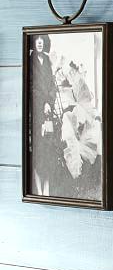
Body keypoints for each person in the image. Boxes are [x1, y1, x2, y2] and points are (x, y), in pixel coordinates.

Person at [30, 34, 58, 196]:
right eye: (37, 39)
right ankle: (38, 189)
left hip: (48, 111)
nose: (39, 42)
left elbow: (52, 85)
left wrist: (49, 102)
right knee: (38, 147)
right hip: (36, 111)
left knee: (48, 146)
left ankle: (46, 188)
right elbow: (31, 86)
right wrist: (43, 103)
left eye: (42, 39)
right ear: (34, 42)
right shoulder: (30, 60)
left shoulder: (47, 61)